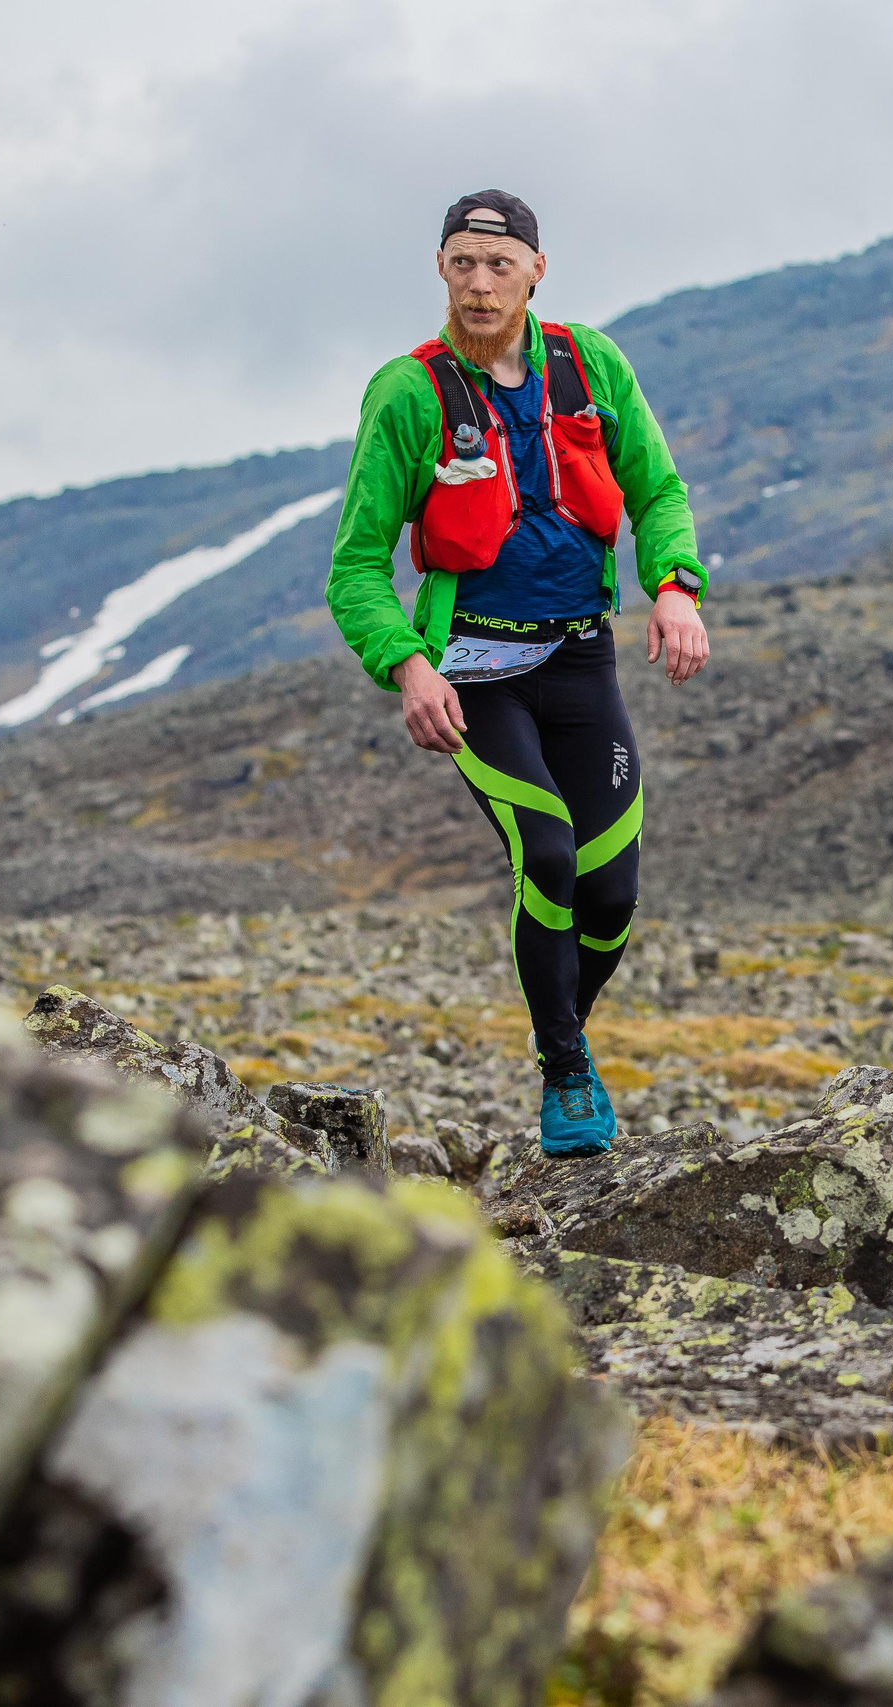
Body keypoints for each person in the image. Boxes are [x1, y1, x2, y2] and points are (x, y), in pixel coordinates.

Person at [326, 190, 711, 1158]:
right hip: (477, 674)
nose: (480, 282)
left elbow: (656, 490)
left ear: (537, 269)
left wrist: (672, 587)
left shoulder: (590, 365)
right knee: (544, 853)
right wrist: (407, 665)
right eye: (462, 262)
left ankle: (559, 1028)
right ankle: (565, 1069)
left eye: (499, 264)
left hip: (582, 659)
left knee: (610, 893)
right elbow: (356, 565)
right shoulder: (408, 395)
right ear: (442, 271)